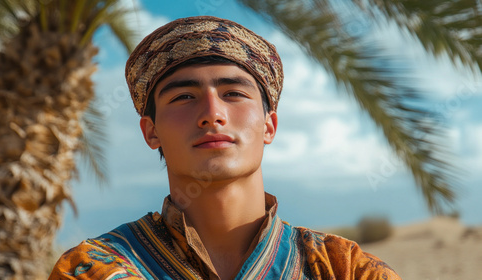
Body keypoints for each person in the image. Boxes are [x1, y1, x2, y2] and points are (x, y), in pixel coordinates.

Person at [49, 16, 401, 280]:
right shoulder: (93, 269)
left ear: (269, 125)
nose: (212, 115)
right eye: (184, 97)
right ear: (151, 132)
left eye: (233, 94)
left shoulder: (344, 268)